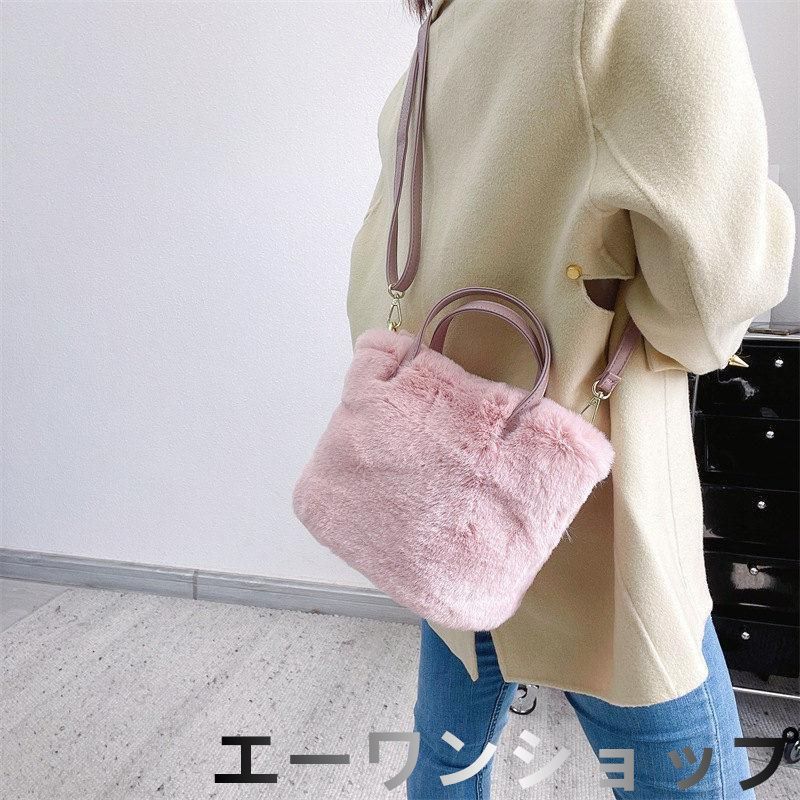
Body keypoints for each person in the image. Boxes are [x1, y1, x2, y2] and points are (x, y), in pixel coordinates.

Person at [345, 0, 796, 797]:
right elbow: (711, 293)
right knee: (685, 770)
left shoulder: (447, 15)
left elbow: (388, 254)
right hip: (582, 489)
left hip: (451, 457)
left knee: (447, 752)